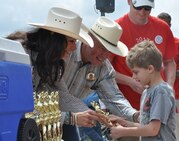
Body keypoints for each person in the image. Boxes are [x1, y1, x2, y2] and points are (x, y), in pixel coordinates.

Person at [6, 7, 108, 141]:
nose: (74, 47)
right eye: (71, 41)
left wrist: (93, 115)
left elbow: (63, 96)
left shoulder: (52, 62)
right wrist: (71, 118)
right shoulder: (20, 55)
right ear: (55, 39)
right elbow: (24, 106)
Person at [62, 16, 138, 141]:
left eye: (109, 51)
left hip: (70, 117)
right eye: (102, 48)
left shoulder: (104, 69)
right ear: (89, 39)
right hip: (42, 113)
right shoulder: (64, 52)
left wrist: (135, 115)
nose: (105, 56)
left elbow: (114, 98)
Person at [109, 0, 177, 111]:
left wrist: (169, 87)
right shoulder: (116, 29)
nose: (142, 12)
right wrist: (129, 81)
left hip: (158, 101)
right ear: (129, 2)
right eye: (138, 7)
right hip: (125, 105)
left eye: (147, 8)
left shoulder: (163, 28)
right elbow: (105, 69)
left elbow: (169, 62)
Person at [110, 40, 176, 141]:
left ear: (150, 69)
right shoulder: (147, 91)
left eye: (136, 72)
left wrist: (122, 132)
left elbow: (153, 129)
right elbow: (145, 126)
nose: (133, 77)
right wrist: (125, 123)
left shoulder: (161, 91)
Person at [157, 12, 179, 141]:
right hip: (158, 95)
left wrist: (175, 73)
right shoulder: (152, 44)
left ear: (170, 26)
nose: (163, 26)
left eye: (165, 24)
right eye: (160, 23)